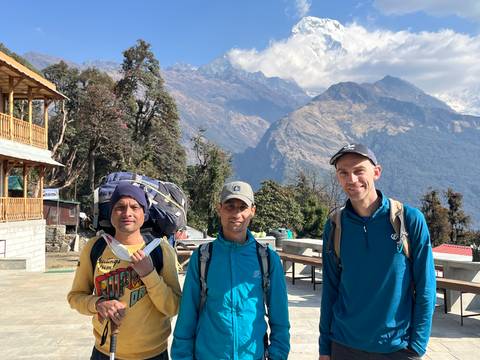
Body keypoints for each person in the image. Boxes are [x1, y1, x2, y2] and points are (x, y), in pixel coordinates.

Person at [319, 144, 436, 360]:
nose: (351, 179)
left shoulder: (408, 220)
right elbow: (330, 290)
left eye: (358, 171)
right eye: (343, 173)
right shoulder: (335, 226)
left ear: (377, 172)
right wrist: (325, 348)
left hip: (396, 348)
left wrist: (417, 346)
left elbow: (426, 287)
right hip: (344, 345)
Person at [171, 181, 290, 360]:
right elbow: (187, 315)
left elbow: (280, 317)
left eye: (242, 207)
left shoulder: (266, 258)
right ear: (220, 209)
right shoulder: (203, 257)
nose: (236, 213)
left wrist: (277, 355)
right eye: (230, 206)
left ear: (252, 211)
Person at [67, 182, 181, 360]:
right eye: (120, 207)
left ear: (144, 213)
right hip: (105, 352)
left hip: (153, 354)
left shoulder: (161, 250)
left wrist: (149, 274)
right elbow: (75, 297)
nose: (127, 213)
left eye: (135, 207)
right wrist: (98, 304)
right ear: (111, 213)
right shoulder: (96, 248)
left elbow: (173, 306)